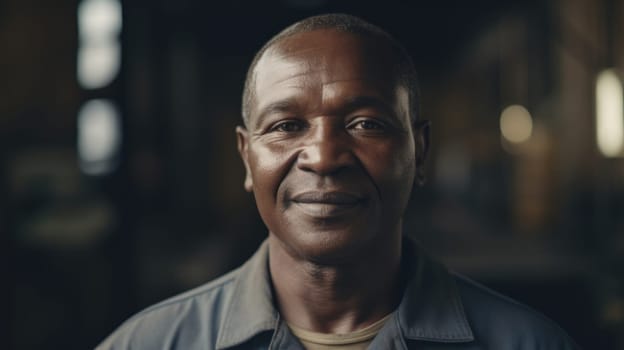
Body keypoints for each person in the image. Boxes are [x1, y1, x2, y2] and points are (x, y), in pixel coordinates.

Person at [97, 13, 579, 349]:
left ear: (420, 151)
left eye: (367, 123)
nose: (324, 157)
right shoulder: (149, 343)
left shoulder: (531, 343)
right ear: (247, 158)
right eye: (286, 126)